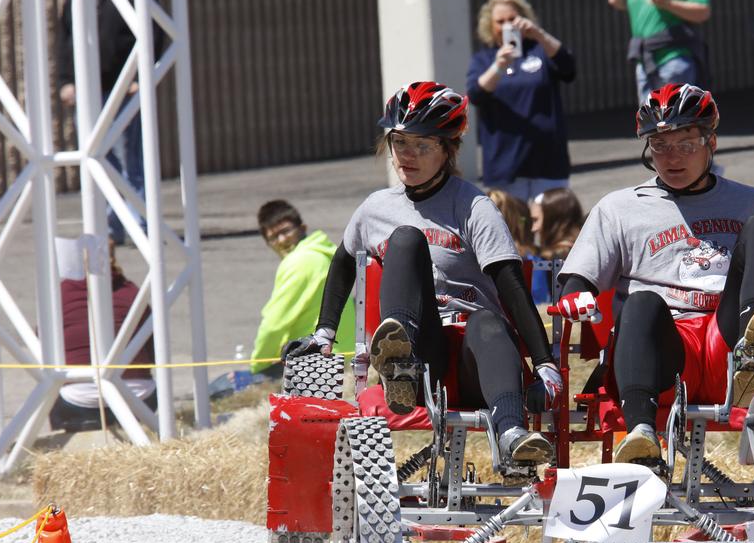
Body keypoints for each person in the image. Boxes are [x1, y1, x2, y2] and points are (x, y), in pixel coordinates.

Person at [555, 84, 754, 464]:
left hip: (729, 343)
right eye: (659, 145)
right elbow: (579, 276)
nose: (672, 158)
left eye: (685, 144)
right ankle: (641, 432)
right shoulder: (618, 208)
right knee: (641, 302)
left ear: (711, 142)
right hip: (664, 355)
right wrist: (573, 291)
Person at [285, 82, 561, 469]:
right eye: (400, 143)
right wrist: (324, 333)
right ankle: (400, 362)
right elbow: (344, 261)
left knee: (486, 320)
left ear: (448, 150)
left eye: (423, 146)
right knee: (406, 240)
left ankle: (513, 434)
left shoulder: (473, 206)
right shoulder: (375, 208)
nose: (408, 157)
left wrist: (545, 363)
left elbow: (510, 285)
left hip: (477, 357)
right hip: (422, 357)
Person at [56, 0, 165, 245]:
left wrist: (140, 77)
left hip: (122, 88)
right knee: (98, 159)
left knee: (132, 159)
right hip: (87, 89)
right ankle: (110, 226)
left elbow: (154, 34)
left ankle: (141, 225)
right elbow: (65, 41)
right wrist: (66, 80)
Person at [467, 0, 576, 203]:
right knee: (510, 232)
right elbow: (475, 95)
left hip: (548, 162)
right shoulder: (484, 58)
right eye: (500, 21)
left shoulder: (540, 50)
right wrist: (498, 66)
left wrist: (539, 34)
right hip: (506, 165)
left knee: (552, 230)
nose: (508, 26)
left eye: (512, 19)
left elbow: (568, 68)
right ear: (490, 25)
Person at [50, 238, 155, 432]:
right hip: (138, 396)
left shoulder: (59, 296)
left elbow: (44, 351)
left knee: (51, 394)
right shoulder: (131, 292)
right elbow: (153, 351)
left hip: (78, 397)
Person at [251, 200, 353, 379]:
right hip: (346, 356)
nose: (282, 240)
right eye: (274, 237)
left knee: (222, 388)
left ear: (303, 228)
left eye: (285, 231)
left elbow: (273, 326)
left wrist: (257, 369)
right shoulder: (326, 254)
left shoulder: (299, 261)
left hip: (319, 359)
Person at [608, 0, 711, 100]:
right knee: (649, 116)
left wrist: (666, 3)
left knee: (673, 115)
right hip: (644, 63)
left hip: (674, 58)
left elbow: (703, 12)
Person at [529, 187, 586, 303]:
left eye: (536, 220)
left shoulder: (549, 258)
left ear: (553, 220)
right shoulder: (590, 248)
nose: (533, 229)